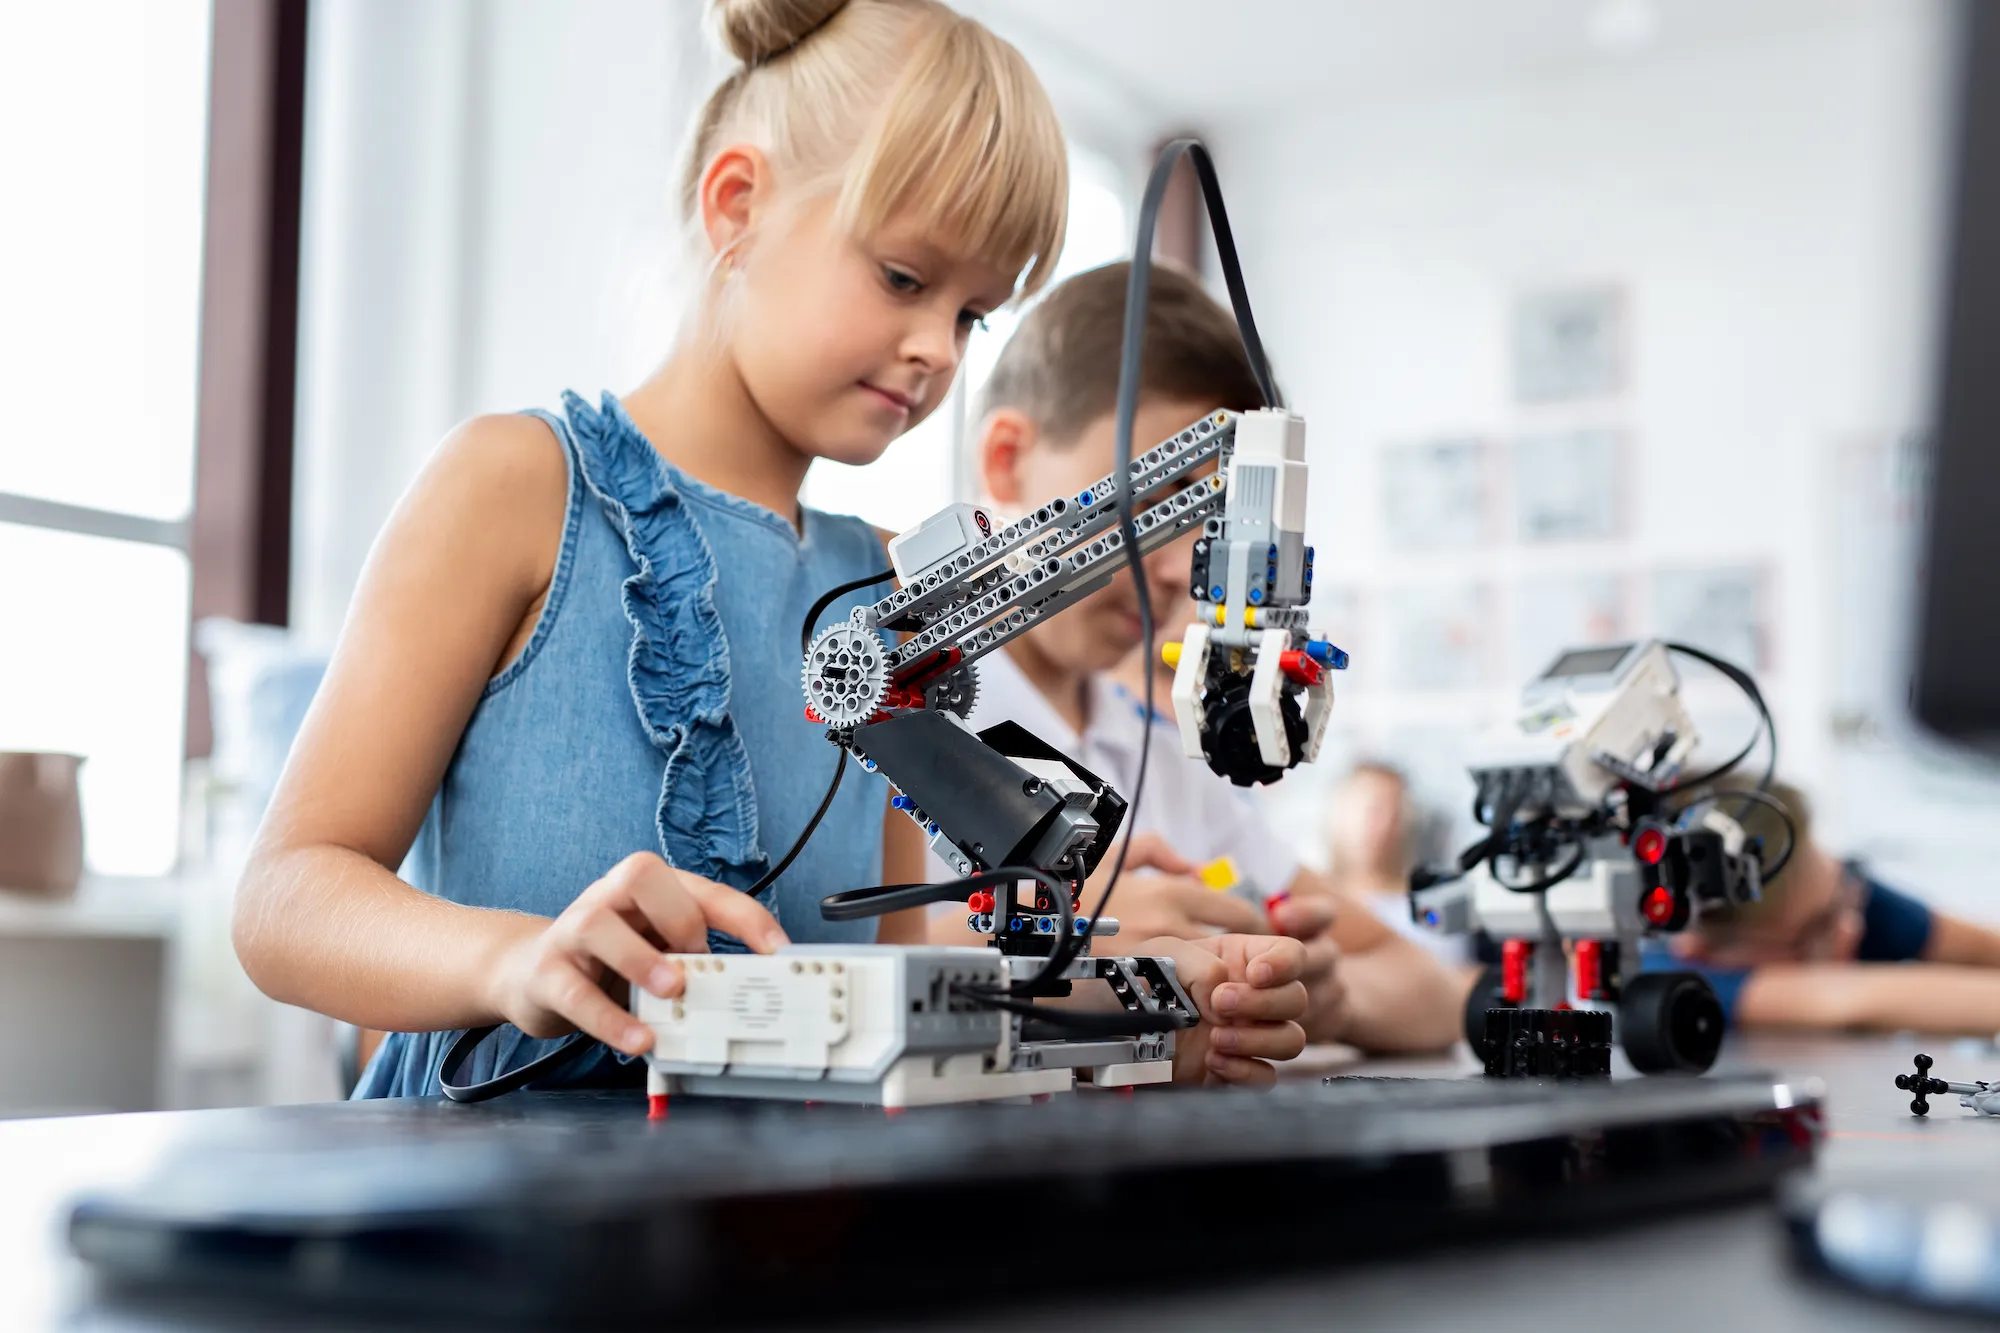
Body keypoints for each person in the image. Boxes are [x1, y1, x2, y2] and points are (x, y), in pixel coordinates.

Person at [233, 0, 1309, 1098]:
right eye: (903, 278)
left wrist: (1153, 995)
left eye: (974, 315)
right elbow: (285, 900)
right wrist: (514, 958)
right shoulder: (513, 485)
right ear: (736, 205)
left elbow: (887, 964)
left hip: (768, 1199)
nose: (936, 350)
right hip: (495, 1179)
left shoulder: (890, 584)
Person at [934, 260, 1464, 1053]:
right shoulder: (903, 727)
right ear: (1007, 460)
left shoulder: (1162, 755)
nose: (1184, 568)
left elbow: (1428, 990)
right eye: (1154, 498)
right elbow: (802, 957)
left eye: (1206, 523)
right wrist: (1065, 945)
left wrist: (1331, 995)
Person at [1659, 778, 2000, 1033]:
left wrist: (1841, 900)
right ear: (1699, 953)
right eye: (1817, 930)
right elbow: (1851, 1000)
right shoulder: (1661, 974)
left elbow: (1982, 945)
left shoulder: (1845, 896)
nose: (1851, 927)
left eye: (1843, 891)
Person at [1322, 761, 1474, 968]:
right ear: (1339, 814)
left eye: (1394, 813)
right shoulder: (1312, 903)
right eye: (1370, 810)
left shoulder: (1434, 908)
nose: (1381, 825)